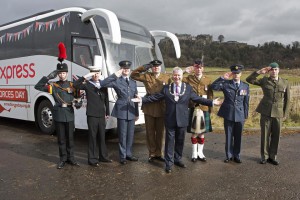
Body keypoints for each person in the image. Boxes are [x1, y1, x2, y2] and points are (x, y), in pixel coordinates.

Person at [134, 67, 222, 173]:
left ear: (181, 76)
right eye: (175, 75)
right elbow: (156, 97)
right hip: (170, 118)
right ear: (172, 76)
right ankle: (168, 163)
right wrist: (142, 99)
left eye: (179, 75)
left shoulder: (188, 88)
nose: (177, 77)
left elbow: (197, 98)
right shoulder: (166, 88)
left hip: (182, 119)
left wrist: (211, 102)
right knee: (169, 142)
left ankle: (178, 159)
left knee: (180, 141)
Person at [34, 43, 79, 169]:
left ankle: (72, 158)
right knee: (61, 139)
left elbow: (77, 97)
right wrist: (48, 76)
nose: (62, 75)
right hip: (59, 115)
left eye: (64, 73)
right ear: (57, 74)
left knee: (70, 138)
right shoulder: (52, 86)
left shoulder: (71, 85)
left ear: (66, 73)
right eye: (60, 73)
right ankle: (62, 159)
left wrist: (78, 102)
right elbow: (37, 86)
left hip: (69, 114)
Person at [246, 62, 290, 165]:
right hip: (265, 111)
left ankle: (273, 156)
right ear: (269, 71)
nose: (274, 72)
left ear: (278, 70)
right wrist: (259, 72)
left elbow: (288, 99)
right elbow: (249, 80)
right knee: (265, 135)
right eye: (272, 70)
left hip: (278, 113)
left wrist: (285, 112)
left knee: (276, 135)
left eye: (275, 69)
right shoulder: (264, 80)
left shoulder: (285, 82)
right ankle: (264, 156)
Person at [130, 59, 171, 162]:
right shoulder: (147, 75)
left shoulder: (166, 77)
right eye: (153, 66)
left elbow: (173, 85)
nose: (155, 67)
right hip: (149, 107)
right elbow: (133, 75)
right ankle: (152, 153)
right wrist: (144, 67)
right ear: (151, 67)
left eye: (157, 66)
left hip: (161, 107)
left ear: (160, 67)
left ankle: (159, 153)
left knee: (160, 132)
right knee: (150, 132)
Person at [101, 61, 139, 165]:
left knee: (130, 135)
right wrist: (115, 75)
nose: (126, 69)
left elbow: (136, 97)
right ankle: (122, 156)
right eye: (123, 68)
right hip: (121, 110)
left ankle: (129, 154)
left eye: (127, 68)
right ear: (121, 69)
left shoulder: (133, 82)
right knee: (122, 135)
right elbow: (103, 83)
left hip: (131, 110)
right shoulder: (116, 80)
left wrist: (137, 113)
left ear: (130, 70)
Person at [73, 65, 112, 167]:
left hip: (101, 115)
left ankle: (103, 156)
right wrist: (86, 76)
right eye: (94, 73)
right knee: (92, 137)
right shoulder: (87, 84)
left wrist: (107, 112)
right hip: (92, 114)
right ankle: (92, 159)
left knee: (102, 136)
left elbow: (106, 100)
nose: (96, 75)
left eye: (98, 73)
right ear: (91, 74)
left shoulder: (103, 85)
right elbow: (75, 85)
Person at [211, 64, 249, 164]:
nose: (236, 75)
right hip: (228, 113)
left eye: (238, 73)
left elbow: (246, 102)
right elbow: (213, 86)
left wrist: (245, 115)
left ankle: (237, 155)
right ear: (232, 73)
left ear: (241, 73)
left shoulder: (245, 86)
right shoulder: (226, 84)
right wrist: (222, 78)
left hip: (240, 114)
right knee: (228, 136)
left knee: (238, 136)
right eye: (234, 73)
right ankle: (229, 155)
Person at [183, 59, 213, 162]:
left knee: (202, 132)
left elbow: (210, 95)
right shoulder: (188, 78)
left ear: (203, 68)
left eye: (200, 67)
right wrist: (184, 71)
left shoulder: (207, 80)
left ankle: (201, 153)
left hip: (204, 107)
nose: (198, 69)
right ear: (193, 68)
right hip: (193, 107)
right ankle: (194, 154)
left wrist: (210, 109)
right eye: (196, 67)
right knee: (194, 132)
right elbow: (175, 79)